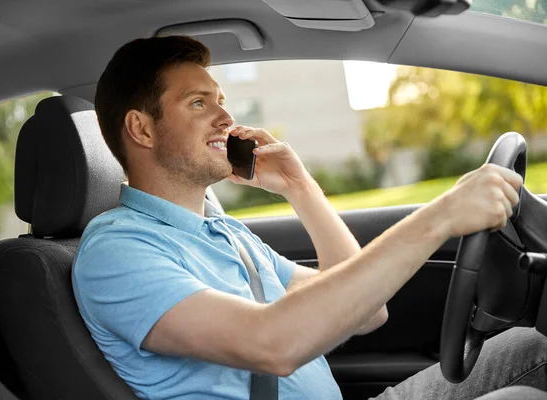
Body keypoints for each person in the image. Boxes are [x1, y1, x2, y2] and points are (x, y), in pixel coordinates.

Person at [71, 36, 547, 400]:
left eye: (220, 100)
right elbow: (272, 345)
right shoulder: (117, 251)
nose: (225, 117)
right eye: (199, 103)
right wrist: (440, 215)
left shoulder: (227, 233)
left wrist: (302, 187)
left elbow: (366, 312)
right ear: (141, 128)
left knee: (530, 346)